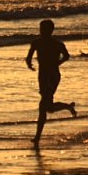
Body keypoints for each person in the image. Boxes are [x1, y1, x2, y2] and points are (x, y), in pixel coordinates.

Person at [26, 19, 76, 147]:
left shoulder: (57, 44)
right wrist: (29, 64)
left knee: (43, 106)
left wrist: (57, 63)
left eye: (45, 30)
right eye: (41, 29)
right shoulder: (36, 42)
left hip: (53, 76)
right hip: (42, 76)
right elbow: (28, 57)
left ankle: (37, 138)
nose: (43, 32)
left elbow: (67, 56)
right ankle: (68, 107)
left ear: (51, 31)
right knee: (48, 107)